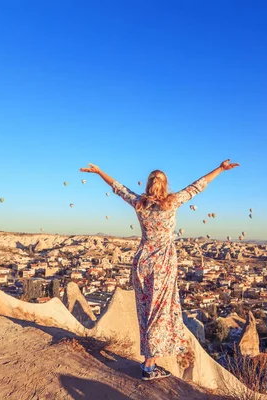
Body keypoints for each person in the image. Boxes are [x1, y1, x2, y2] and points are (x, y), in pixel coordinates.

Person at [80, 159, 239, 381]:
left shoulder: (139, 203)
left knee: (145, 311)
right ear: (165, 185)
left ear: (148, 184)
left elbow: (118, 188)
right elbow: (197, 186)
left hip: (142, 262)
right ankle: (148, 365)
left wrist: (98, 172)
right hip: (163, 263)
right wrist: (221, 169)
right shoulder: (172, 202)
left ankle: (150, 361)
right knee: (159, 312)